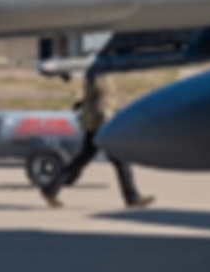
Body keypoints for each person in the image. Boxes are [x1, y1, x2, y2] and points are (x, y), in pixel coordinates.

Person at [41, 69, 154, 210]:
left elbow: (93, 97)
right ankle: (132, 197)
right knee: (120, 161)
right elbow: (103, 100)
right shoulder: (101, 74)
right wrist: (109, 123)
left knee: (83, 158)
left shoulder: (95, 73)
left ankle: (51, 189)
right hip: (101, 122)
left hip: (95, 122)